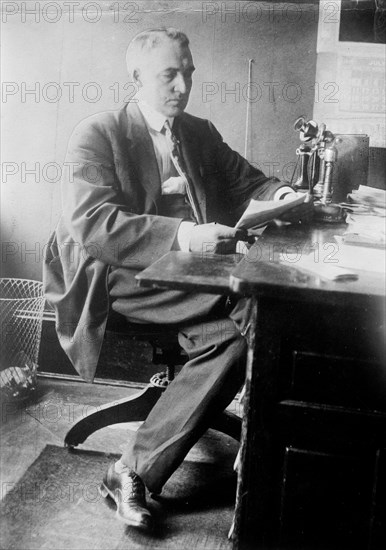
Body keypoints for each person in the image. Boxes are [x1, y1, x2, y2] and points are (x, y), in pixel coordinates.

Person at [43, 27, 312, 530]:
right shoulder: (98, 133)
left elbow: (251, 180)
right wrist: (188, 236)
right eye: (169, 75)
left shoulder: (198, 132)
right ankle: (269, 446)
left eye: (187, 74)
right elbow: (95, 226)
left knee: (234, 339)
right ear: (137, 78)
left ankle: (131, 470)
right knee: (255, 306)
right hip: (113, 275)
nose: (182, 87)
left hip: (185, 275)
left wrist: (282, 198)